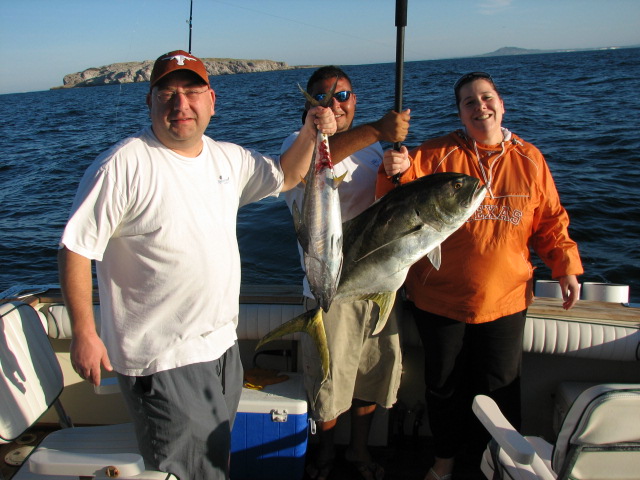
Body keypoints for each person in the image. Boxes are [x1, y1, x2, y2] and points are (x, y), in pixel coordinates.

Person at [57, 49, 336, 480]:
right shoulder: (125, 164)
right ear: (148, 101)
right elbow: (75, 248)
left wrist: (310, 131)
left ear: (212, 100)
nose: (180, 103)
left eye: (191, 91)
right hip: (164, 358)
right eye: (167, 92)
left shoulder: (226, 159)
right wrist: (84, 333)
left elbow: (287, 175)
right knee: (187, 471)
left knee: (213, 460)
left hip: (222, 349)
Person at [377, 72, 583, 480]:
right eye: (468, 101)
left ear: (502, 105)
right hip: (439, 298)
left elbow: (550, 223)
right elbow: (394, 204)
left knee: (502, 388)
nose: (479, 106)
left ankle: (500, 464)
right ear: (459, 112)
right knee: (443, 388)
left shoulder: (530, 159)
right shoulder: (434, 154)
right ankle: (444, 461)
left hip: (505, 300)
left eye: (486, 98)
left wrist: (567, 267)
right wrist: (394, 169)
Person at [280, 66, 410, 480]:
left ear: (354, 101)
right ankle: (324, 455)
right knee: (328, 384)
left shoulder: (377, 152)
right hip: (329, 289)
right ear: (308, 107)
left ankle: (357, 451)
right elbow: (320, 159)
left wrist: (401, 172)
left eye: (343, 96)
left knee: (371, 376)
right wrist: (377, 129)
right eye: (322, 96)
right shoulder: (298, 146)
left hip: (380, 286)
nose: (334, 104)